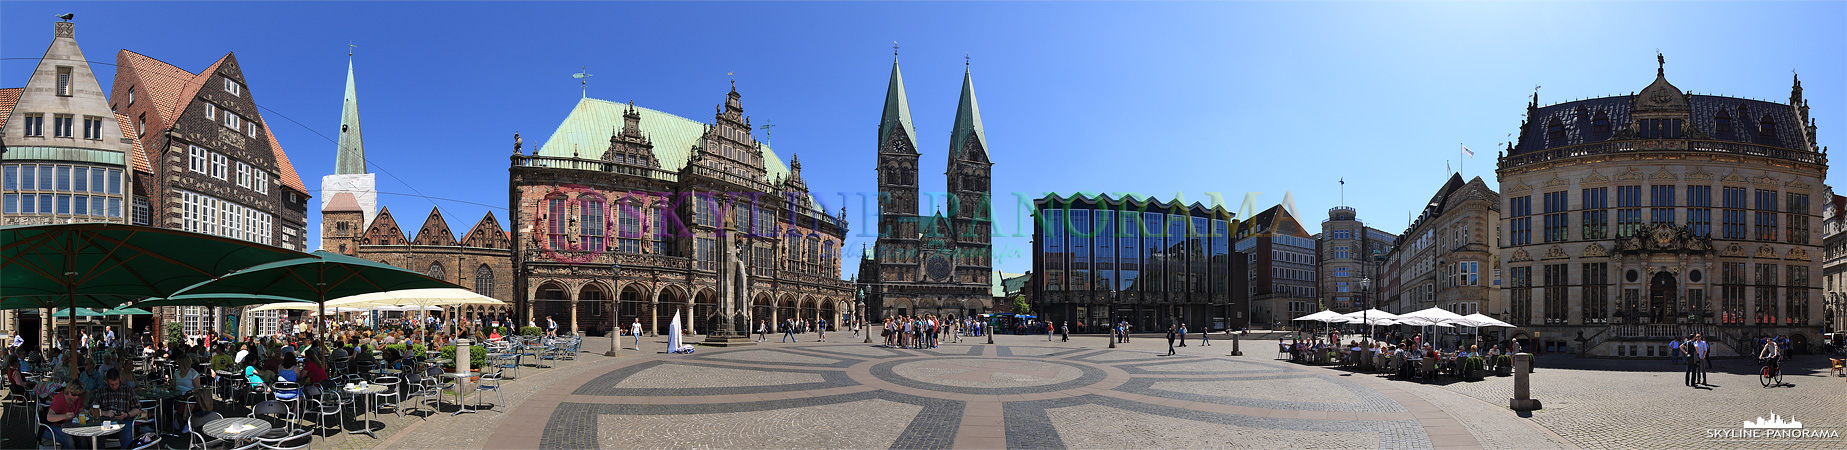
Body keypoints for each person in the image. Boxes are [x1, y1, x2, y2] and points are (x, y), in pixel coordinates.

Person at [92, 369, 144, 449]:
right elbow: (92, 409)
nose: (114, 386)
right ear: (107, 381)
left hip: (124, 421)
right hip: (107, 422)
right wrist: (104, 413)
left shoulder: (128, 390)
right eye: (111, 384)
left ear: (120, 379)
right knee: (96, 435)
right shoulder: (102, 392)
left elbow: (138, 409)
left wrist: (127, 414)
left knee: (127, 432)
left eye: (116, 384)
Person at [42, 383, 83, 449]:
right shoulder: (60, 399)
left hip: (68, 425)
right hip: (53, 426)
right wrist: (64, 416)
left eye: (79, 394)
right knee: (68, 440)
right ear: (68, 391)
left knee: (82, 438)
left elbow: (81, 411)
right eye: (74, 394)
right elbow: (49, 417)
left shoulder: (78, 398)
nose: (76, 397)